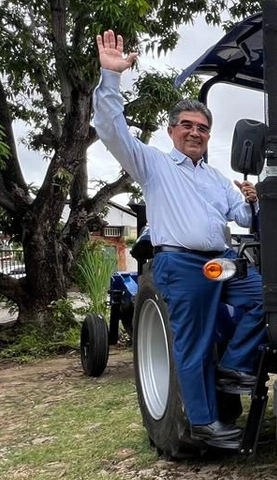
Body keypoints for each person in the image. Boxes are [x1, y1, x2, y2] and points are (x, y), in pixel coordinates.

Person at [91, 30, 266, 450]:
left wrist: (252, 200)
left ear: (209, 135)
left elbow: (241, 217)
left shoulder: (217, 178)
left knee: (267, 296)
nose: (195, 132)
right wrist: (110, 77)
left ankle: (235, 365)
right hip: (181, 262)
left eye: (202, 128)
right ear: (171, 132)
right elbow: (111, 130)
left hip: (222, 260)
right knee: (193, 340)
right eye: (186, 125)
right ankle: (204, 423)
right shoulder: (153, 164)